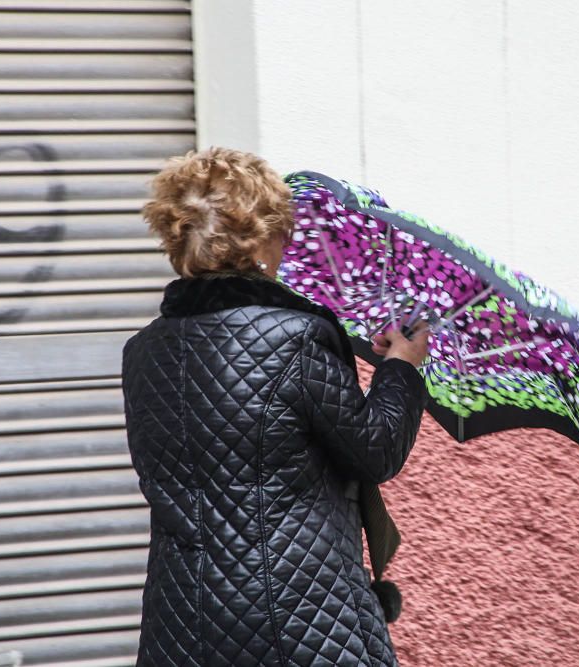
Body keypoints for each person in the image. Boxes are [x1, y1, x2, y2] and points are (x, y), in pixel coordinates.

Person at [121, 146, 430, 666]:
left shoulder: (144, 350)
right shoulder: (296, 338)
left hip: (181, 622)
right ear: (260, 237)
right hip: (300, 615)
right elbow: (375, 452)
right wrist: (401, 367)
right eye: (282, 226)